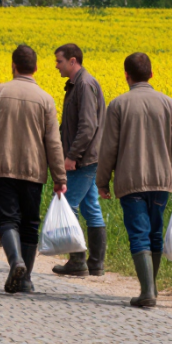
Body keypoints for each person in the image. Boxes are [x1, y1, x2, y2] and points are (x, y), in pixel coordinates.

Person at [97, 52, 172, 309]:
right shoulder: (168, 103)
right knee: (155, 233)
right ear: (151, 74)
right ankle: (151, 287)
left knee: (139, 234)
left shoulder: (118, 104)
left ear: (126, 75)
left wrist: (102, 181)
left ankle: (147, 289)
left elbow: (108, 149)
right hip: (162, 181)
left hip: (131, 180)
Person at [0, 45, 66, 294]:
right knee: (30, 223)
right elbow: (53, 143)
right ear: (35, 68)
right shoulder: (45, 98)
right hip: (34, 170)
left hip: (2, 168)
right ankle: (25, 280)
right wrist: (59, 177)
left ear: (13, 66)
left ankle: (16, 262)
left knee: (6, 219)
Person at [52, 44, 108, 277]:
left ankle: (78, 261)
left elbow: (87, 126)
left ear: (73, 61)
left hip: (84, 159)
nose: (56, 65)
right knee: (90, 206)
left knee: (69, 205)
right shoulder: (80, 84)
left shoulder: (84, 84)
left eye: (59, 61)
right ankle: (95, 263)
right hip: (89, 157)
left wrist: (72, 156)